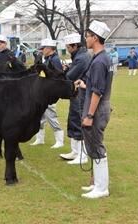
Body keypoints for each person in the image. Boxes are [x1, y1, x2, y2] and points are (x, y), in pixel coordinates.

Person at [74, 20, 113, 199]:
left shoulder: (98, 61)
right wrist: (84, 84)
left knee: (97, 147)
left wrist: (89, 115)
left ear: (95, 38)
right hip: (100, 107)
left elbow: (97, 92)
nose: (86, 39)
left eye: (88, 36)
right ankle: (97, 184)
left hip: (96, 110)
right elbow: (95, 85)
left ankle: (101, 188)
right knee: (93, 146)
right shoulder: (103, 58)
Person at [59, 33, 92, 165]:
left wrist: (67, 71)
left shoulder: (82, 58)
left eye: (68, 47)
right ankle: (75, 151)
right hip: (77, 93)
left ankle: (83, 155)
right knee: (73, 119)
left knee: (79, 121)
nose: (67, 49)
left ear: (74, 46)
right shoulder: (78, 56)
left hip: (82, 93)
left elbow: (70, 76)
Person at [30, 38, 64, 149]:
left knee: (51, 116)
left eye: (43, 48)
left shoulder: (55, 60)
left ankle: (59, 140)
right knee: (40, 116)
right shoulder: (48, 59)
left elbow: (56, 78)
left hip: (50, 94)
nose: (42, 50)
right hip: (43, 93)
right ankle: (40, 139)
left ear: (49, 48)